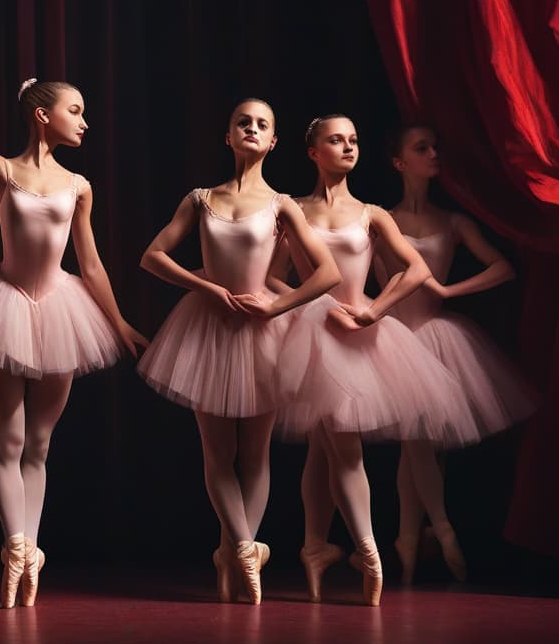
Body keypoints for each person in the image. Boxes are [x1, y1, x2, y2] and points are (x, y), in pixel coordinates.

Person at [0, 21, 148, 608]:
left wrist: (118, 324)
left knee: (39, 444)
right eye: (76, 110)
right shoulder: (4, 170)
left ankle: (30, 551)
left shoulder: (79, 185)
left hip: (62, 309)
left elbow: (90, 266)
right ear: (43, 115)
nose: (85, 120)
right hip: (4, 305)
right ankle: (15, 544)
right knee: (7, 437)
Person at [136, 98, 341, 604]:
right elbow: (152, 257)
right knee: (218, 452)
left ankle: (234, 554)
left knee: (255, 452)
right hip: (207, 330)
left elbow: (328, 273)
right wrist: (204, 288)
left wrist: (277, 307)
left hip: (263, 332)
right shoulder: (201, 199)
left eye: (262, 124)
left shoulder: (283, 205)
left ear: (272, 142)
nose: (251, 128)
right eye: (242, 122)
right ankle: (247, 549)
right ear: (228, 137)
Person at [270, 114, 480, 606]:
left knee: (336, 446)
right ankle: (345, 548)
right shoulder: (293, 210)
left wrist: (371, 311)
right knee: (327, 448)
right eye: (336, 140)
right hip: (311, 334)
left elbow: (416, 269)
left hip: (360, 336)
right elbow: (273, 276)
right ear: (312, 153)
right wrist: (314, 303)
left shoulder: (370, 214)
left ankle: (327, 547)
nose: (347, 147)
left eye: (353, 140)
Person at [375, 122, 535, 583]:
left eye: (435, 147)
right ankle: (439, 532)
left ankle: (410, 544)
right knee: (416, 444)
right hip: (397, 338)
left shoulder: (453, 221)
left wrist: (449, 289)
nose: (434, 154)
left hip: (439, 337)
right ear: (400, 162)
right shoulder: (383, 220)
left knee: (417, 445)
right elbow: (377, 281)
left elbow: (503, 268)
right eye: (422, 148)